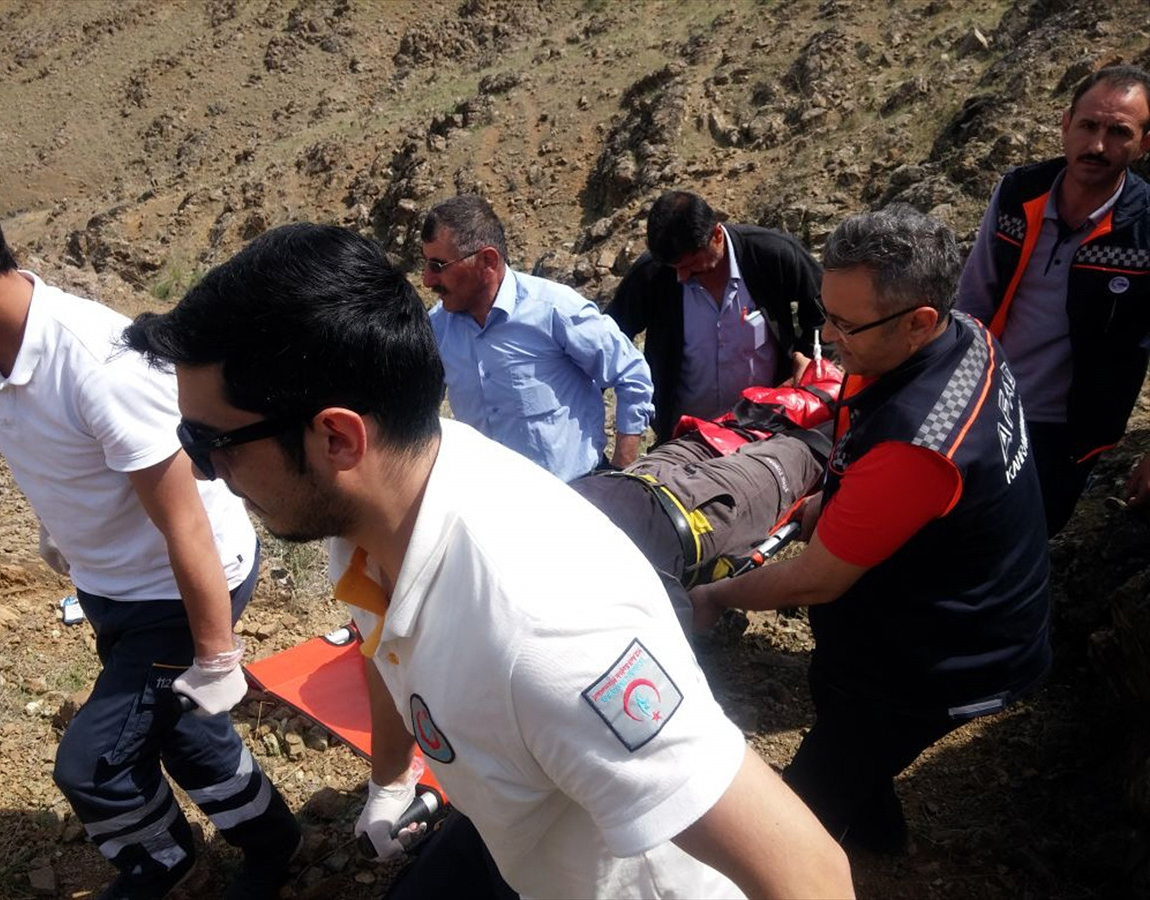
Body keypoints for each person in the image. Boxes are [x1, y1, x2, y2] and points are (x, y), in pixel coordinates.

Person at [124, 223, 854, 899]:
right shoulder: (378, 517)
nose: (205, 474)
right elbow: (385, 647)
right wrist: (389, 781)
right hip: (524, 828)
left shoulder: (547, 635)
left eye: (209, 445)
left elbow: (809, 872)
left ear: (338, 439)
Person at [0, 167, 300, 900]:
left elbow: (187, 520)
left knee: (94, 764)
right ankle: (274, 841)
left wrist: (216, 654)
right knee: (183, 727)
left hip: (179, 587)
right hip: (111, 583)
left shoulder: (97, 363)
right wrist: (60, 529)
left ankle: (165, 865)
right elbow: (47, 450)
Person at [691, 206, 1053, 855]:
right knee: (840, 706)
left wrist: (715, 596)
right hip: (934, 605)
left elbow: (817, 580)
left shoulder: (919, 442)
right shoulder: (966, 334)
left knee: (800, 811)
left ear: (918, 321)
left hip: (945, 657)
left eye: (847, 324)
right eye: (825, 313)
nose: (828, 338)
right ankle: (877, 842)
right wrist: (836, 502)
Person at [957, 64, 1150, 535]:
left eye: (1119, 132)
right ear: (1065, 124)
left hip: (1069, 431)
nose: (1097, 145)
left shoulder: (1145, 228)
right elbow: (973, 299)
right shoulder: (1018, 192)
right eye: (1088, 125)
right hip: (985, 401)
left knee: (1025, 537)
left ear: (1145, 144)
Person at [573, 356, 841, 628]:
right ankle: (833, 401)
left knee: (789, 440)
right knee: (802, 447)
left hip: (664, 477)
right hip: (675, 503)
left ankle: (829, 398)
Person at [422, 195, 653, 481]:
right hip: (492, 498)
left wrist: (621, 472)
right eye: (426, 264)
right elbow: (417, 410)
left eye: (438, 266)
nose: (427, 280)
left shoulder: (554, 310)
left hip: (575, 493)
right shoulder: (436, 327)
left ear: (487, 261)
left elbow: (631, 373)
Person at [607, 190, 824, 441]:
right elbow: (608, 340)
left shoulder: (771, 254)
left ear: (717, 236)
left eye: (690, 266)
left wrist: (808, 359)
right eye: (675, 268)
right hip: (684, 437)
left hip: (766, 429)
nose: (681, 277)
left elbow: (826, 306)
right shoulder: (652, 274)